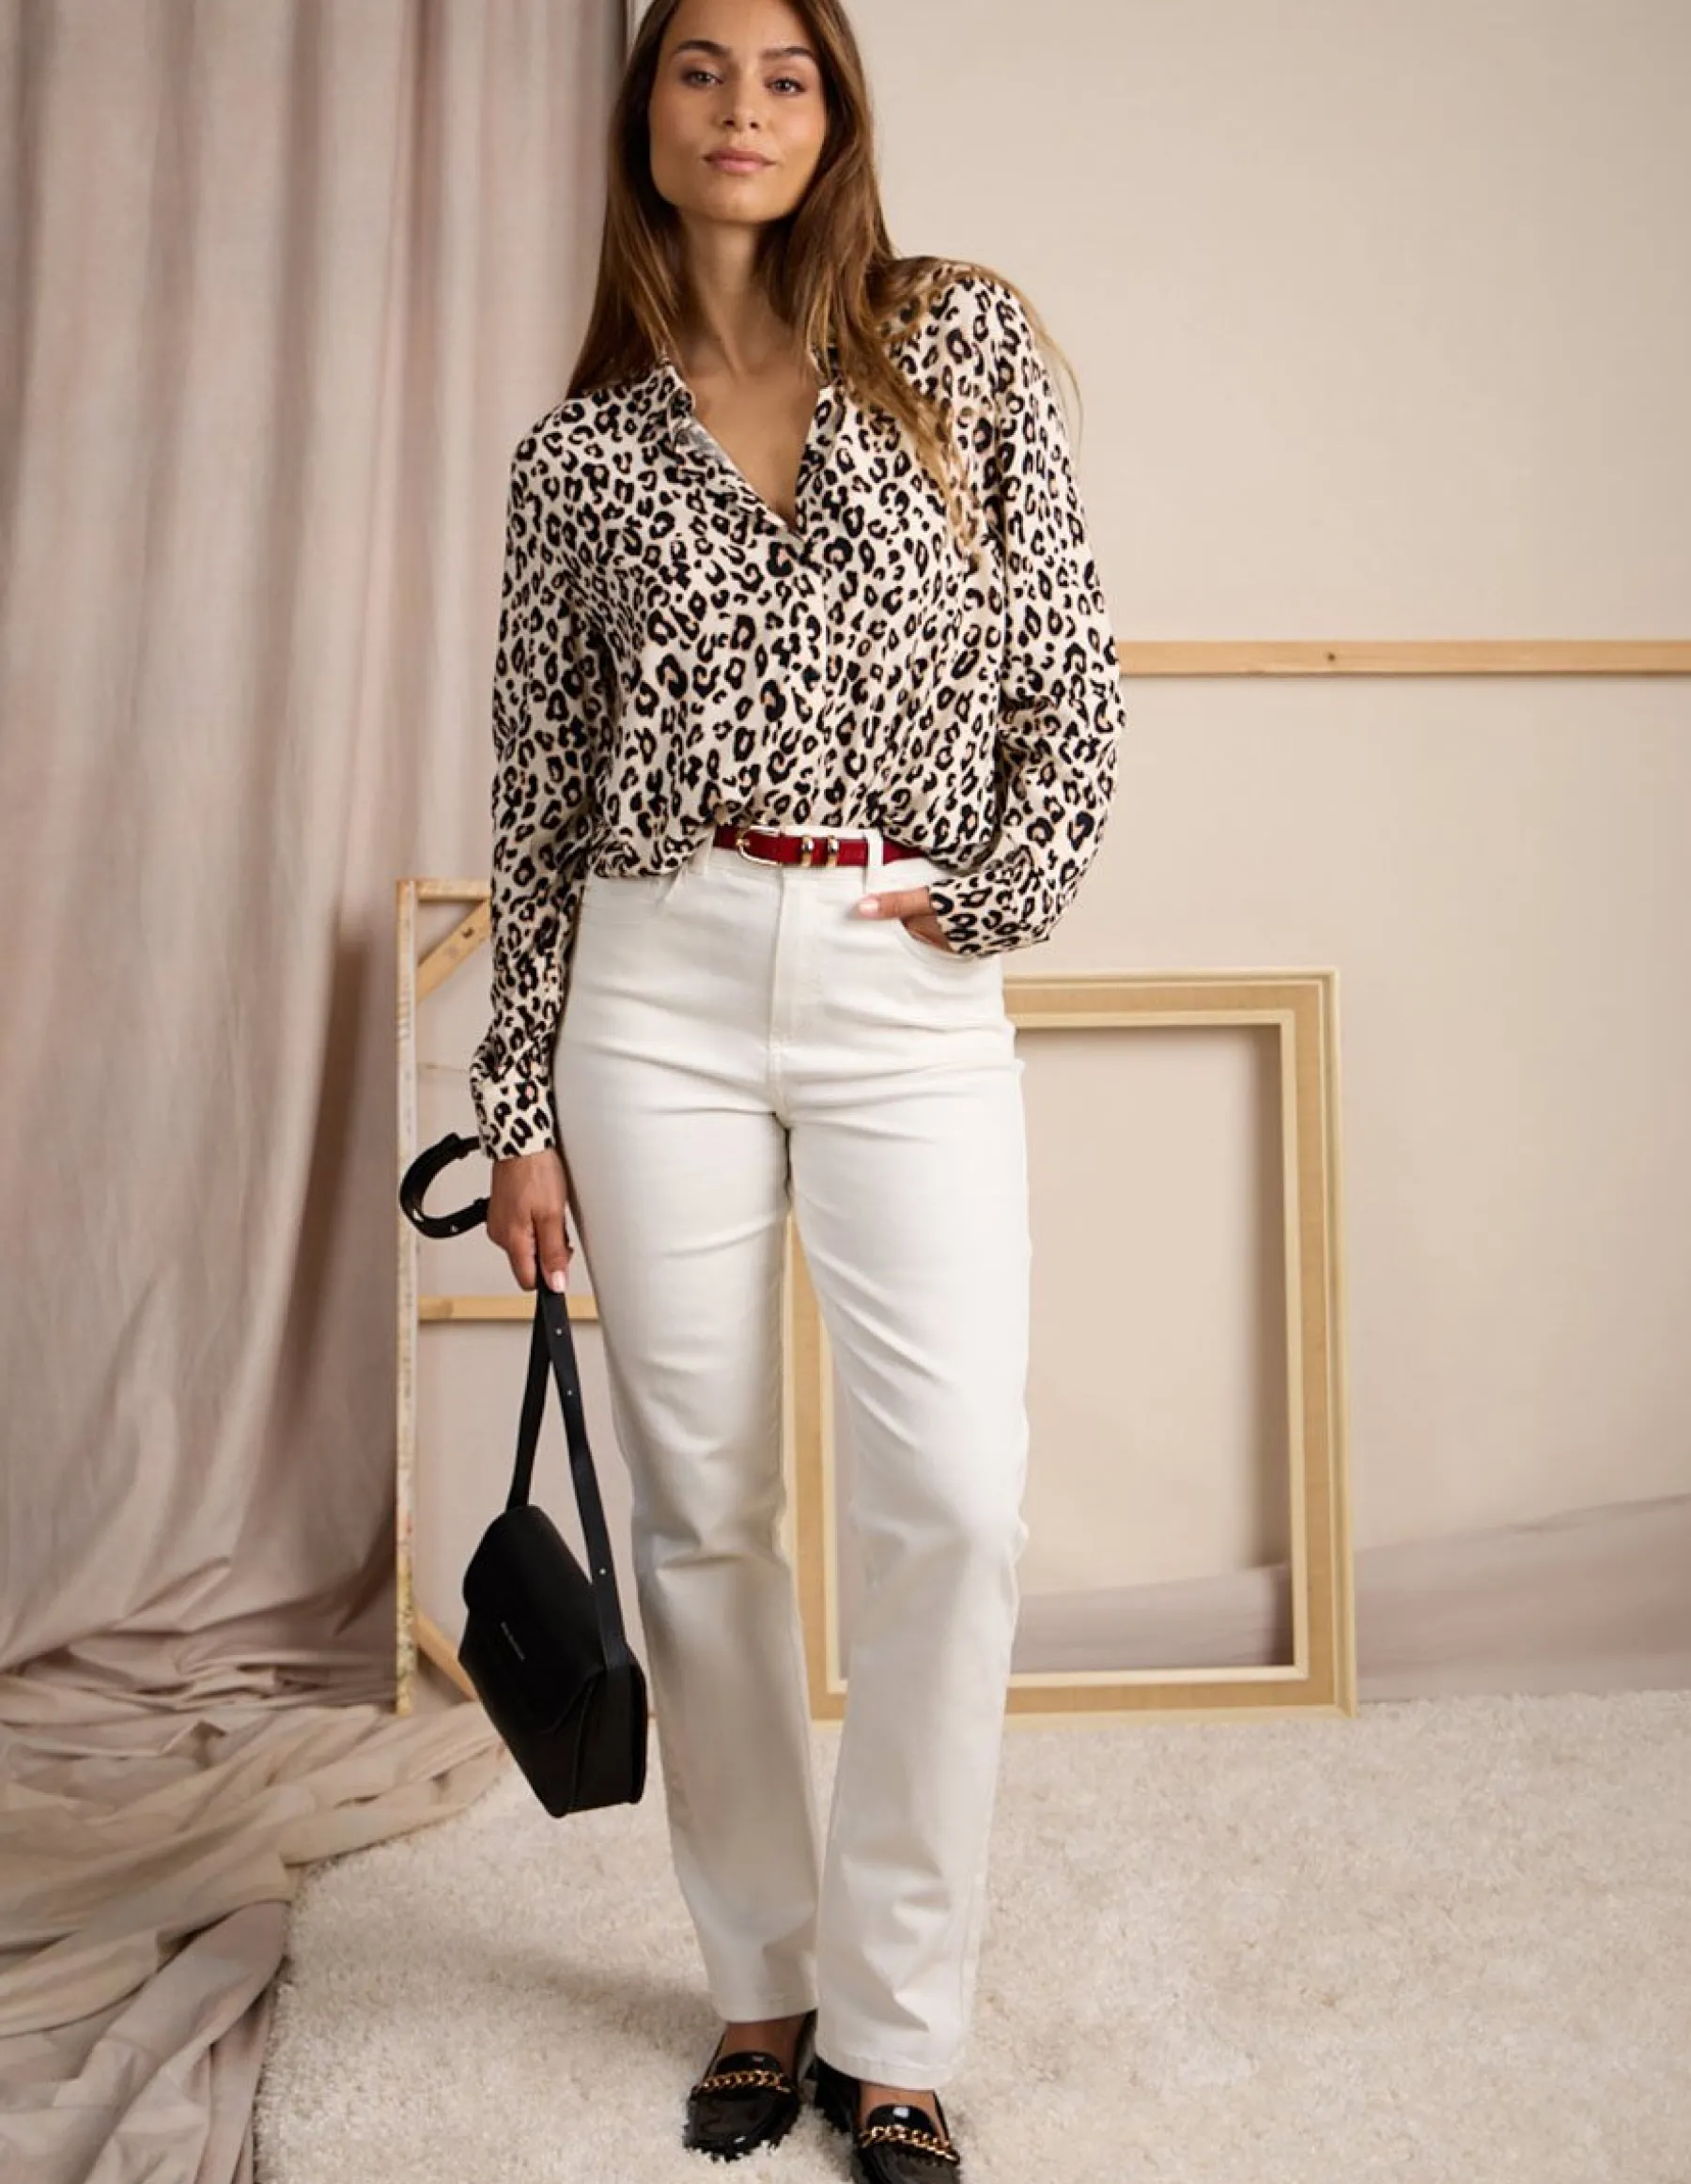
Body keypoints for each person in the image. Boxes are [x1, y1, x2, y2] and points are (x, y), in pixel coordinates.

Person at [473, 0, 1125, 2174]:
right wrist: (515, 1102)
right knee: (704, 1511)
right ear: (645, 112)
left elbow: (1069, 675)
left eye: (785, 72)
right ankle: (765, 1982)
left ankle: (898, 2020)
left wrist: (999, 889)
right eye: (699, 67)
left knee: (954, 1499)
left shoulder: (959, 349)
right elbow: (536, 796)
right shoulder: (578, 459)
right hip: (652, 982)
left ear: (835, 110)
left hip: (898, 967)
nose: (742, 107)